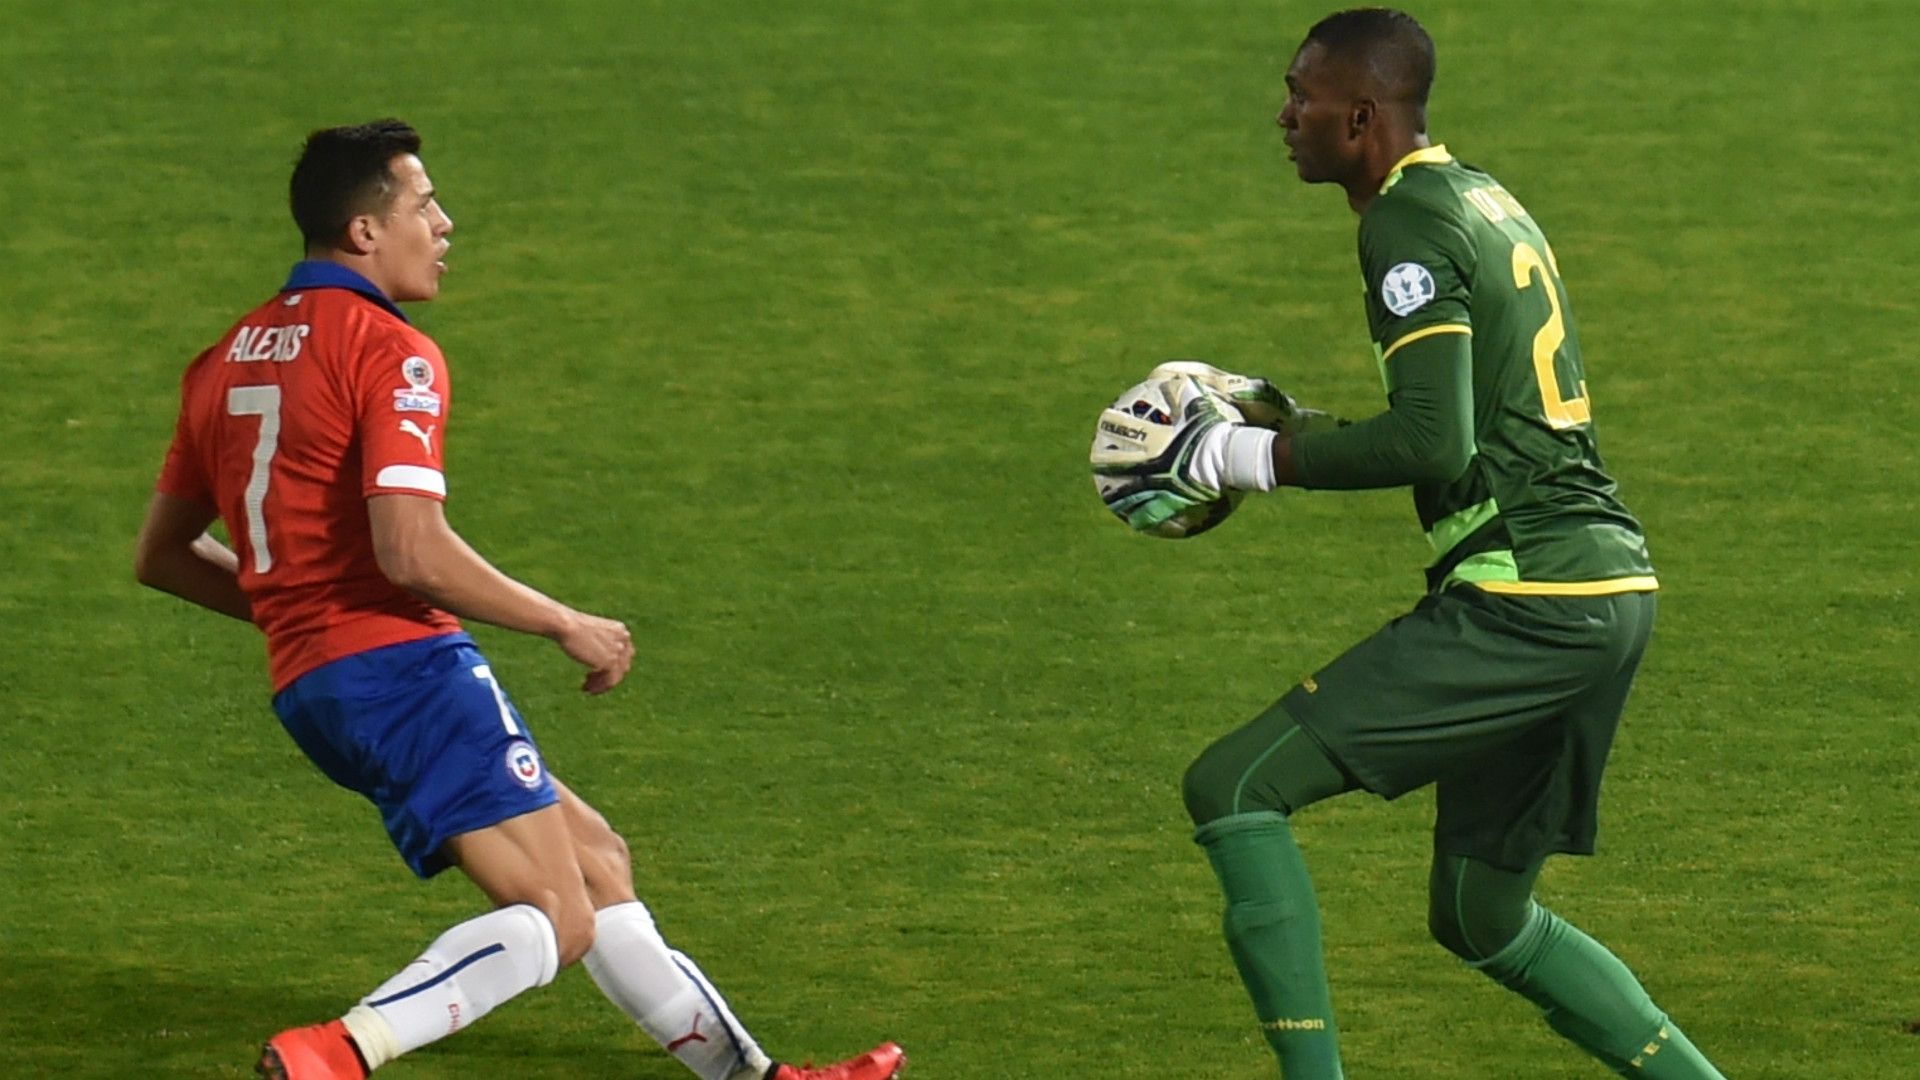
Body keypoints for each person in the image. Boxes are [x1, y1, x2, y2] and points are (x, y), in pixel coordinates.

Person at [134, 118, 904, 1080]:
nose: (445, 224)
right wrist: (564, 621)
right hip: (402, 667)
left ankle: (756, 1077)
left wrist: (301, 611)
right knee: (554, 916)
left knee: (595, 859)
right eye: (423, 205)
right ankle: (341, 1050)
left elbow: (162, 556)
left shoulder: (225, 360)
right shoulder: (387, 350)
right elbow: (410, 550)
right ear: (364, 232)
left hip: (319, 681)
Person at [1098, 9, 1729, 1078]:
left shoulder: (1405, 224)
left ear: (1361, 114)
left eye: (1301, 95)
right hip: (1606, 586)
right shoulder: (1480, 195)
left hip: (1529, 597)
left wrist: (1244, 458)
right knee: (1483, 915)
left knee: (1234, 787)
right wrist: (1289, 431)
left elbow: (1437, 437)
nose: (1284, 115)